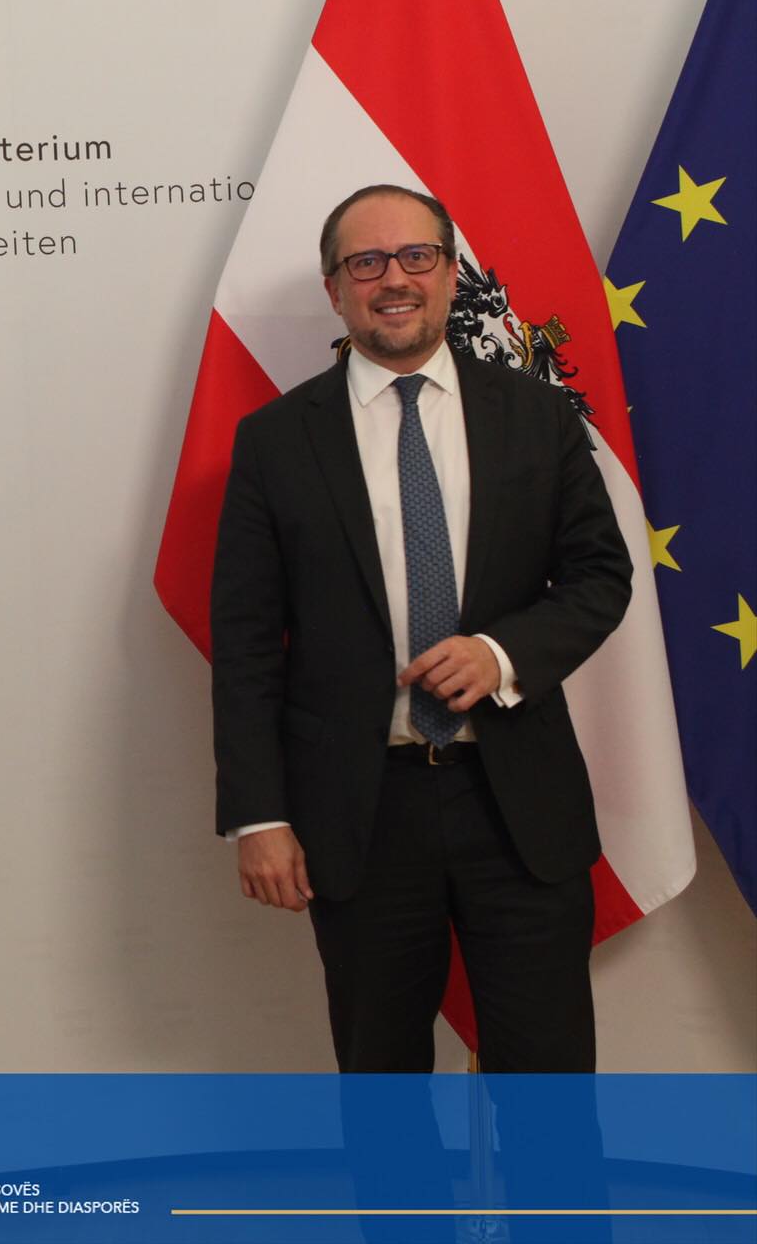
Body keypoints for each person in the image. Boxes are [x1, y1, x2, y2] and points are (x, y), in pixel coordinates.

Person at [210, 184, 631, 1073]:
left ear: (448, 273)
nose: (392, 279)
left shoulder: (537, 413)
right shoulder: (274, 441)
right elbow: (244, 644)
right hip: (360, 816)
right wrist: (258, 814)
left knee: (548, 1088)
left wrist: (501, 654)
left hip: (517, 805)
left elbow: (600, 575)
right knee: (383, 1090)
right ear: (334, 288)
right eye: (365, 262)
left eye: (415, 257)